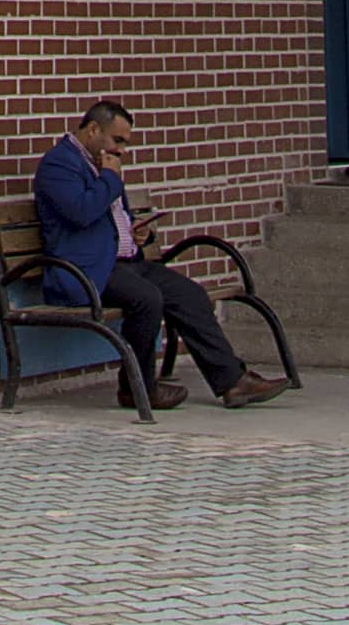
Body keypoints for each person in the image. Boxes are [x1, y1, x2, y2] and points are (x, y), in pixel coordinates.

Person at [32, 96, 259, 411]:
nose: (122, 150)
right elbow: (81, 213)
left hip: (123, 263)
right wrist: (111, 179)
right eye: (117, 140)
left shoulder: (103, 163)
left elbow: (111, 216)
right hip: (85, 271)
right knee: (147, 299)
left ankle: (232, 381)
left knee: (188, 293)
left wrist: (139, 232)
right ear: (93, 129)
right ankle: (137, 389)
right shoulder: (59, 164)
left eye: (125, 143)